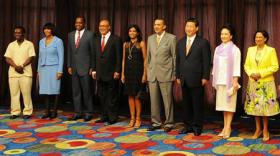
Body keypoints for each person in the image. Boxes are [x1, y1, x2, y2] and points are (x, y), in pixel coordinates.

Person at [176, 17, 211, 136]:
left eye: (191, 26)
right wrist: (177, 75)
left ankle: (197, 126)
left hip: (197, 78)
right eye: (187, 26)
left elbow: (207, 61)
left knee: (197, 103)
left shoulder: (203, 42)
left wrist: (205, 77)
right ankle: (188, 126)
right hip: (183, 78)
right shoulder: (180, 42)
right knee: (186, 104)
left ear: (196, 28)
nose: (188, 28)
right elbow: (178, 60)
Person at [244, 30, 280, 141]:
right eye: (256, 37)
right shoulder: (250, 50)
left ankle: (265, 130)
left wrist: (261, 74)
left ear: (265, 39)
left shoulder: (270, 50)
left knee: (264, 108)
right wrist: (251, 74)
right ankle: (258, 129)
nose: (258, 39)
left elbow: (275, 66)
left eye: (260, 37)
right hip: (253, 82)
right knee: (255, 107)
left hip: (266, 83)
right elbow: (246, 65)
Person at [146, 18, 176, 132]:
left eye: (159, 25)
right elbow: (148, 58)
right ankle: (156, 122)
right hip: (152, 74)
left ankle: (169, 123)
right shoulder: (150, 38)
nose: (156, 26)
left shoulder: (171, 38)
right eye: (155, 25)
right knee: (154, 101)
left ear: (164, 26)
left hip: (166, 74)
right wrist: (148, 72)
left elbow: (174, 57)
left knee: (167, 101)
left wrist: (174, 74)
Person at [212, 25, 241, 139]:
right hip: (220, 81)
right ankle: (225, 127)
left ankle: (228, 127)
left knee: (229, 106)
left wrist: (235, 80)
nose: (223, 36)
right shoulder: (217, 49)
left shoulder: (235, 49)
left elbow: (237, 66)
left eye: (226, 34)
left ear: (231, 36)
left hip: (230, 81)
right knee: (223, 106)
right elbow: (214, 66)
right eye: (222, 34)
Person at [92, 19, 122, 125]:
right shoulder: (96, 39)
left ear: (109, 27)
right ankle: (104, 116)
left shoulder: (116, 39)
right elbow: (94, 56)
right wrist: (94, 70)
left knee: (112, 97)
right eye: (100, 26)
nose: (102, 28)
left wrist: (117, 71)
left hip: (111, 73)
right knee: (102, 96)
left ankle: (112, 117)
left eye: (104, 26)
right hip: (100, 73)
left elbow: (119, 57)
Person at [4, 26, 36, 119]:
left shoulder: (29, 44)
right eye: (15, 32)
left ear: (23, 33)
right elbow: (7, 58)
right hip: (13, 73)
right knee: (14, 94)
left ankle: (27, 112)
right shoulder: (11, 45)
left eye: (19, 32)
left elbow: (31, 57)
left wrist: (21, 66)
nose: (17, 34)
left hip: (25, 73)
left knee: (26, 93)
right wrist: (15, 66)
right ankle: (15, 112)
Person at [67, 16, 94, 121]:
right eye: (76, 22)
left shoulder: (90, 35)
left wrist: (92, 67)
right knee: (76, 91)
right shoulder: (70, 35)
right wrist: (69, 65)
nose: (78, 24)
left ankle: (89, 112)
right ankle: (78, 112)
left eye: (80, 22)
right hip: (74, 68)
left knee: (87, 91)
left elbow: (93, 52)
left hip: (86, 68)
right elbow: (69, 51)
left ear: (84, 23)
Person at [121, 24, 147, 128]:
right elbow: (123, 60)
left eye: (134, 31)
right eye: (130, 31)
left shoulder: (141, 43)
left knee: (137, 96)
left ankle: (138, 118)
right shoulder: (125, 44)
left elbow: (145, 60)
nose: (132, 33)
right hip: (128, 73)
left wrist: (145, 74)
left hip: (138, 73)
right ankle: (132, 118)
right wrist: (122, 74)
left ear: (138, 33)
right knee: (130, 96)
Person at [38, 23, 64, 119]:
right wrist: (38, 71)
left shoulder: (58, 41)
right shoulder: (41, 41)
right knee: (45, 91)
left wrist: (60, 71)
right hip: (43, 68)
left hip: (54, 68)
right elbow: (40, 57)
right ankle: (47, 111)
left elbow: (61, 57)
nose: (46, 31)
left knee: (55, 90)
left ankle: (54, 111)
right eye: (45, 29)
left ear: (52, 30)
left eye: (48, 29)